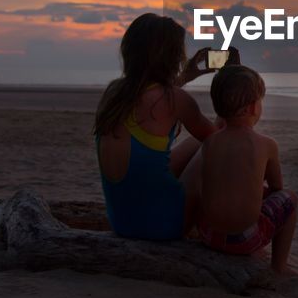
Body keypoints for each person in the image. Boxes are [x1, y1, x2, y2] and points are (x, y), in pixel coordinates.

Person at [93, 13, 228, 240]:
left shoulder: (114, 93)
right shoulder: (175, 100)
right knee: (214, 144)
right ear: (172, 57)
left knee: (194, 142)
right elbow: (220, 142)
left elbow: (148, 92)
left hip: (122, 223)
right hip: (164, 226)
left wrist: (184, 77)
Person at [196, 65, 298, 275]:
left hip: (208, 234)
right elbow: (277, 187)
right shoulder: (267, 144)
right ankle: (279, 267)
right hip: (244, 240)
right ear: (253, 108)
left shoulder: (210, 142)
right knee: (290, 199)